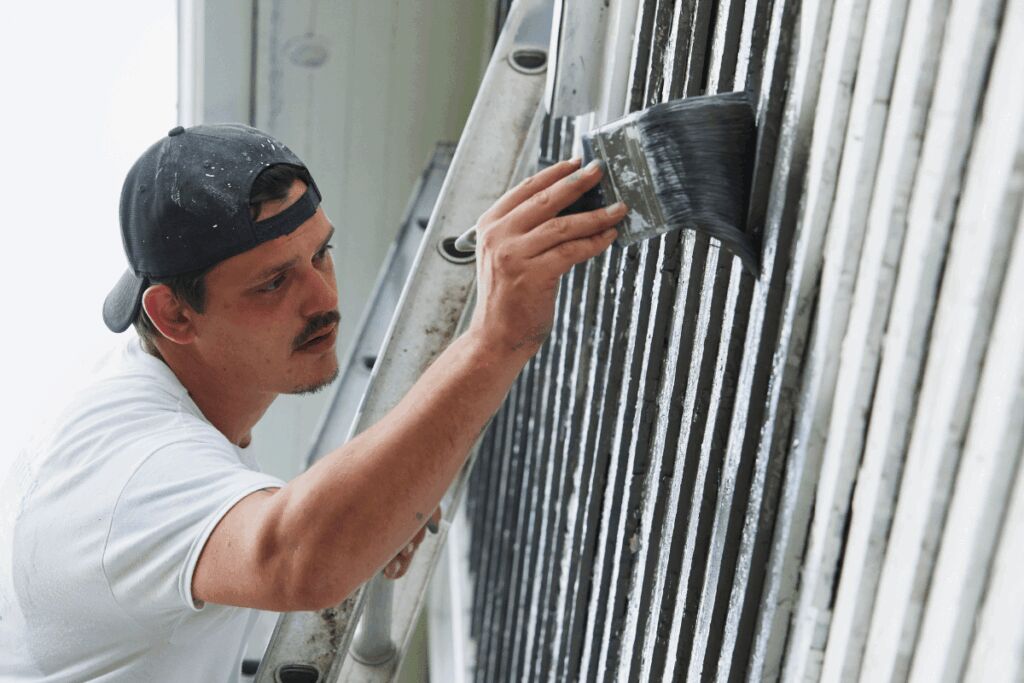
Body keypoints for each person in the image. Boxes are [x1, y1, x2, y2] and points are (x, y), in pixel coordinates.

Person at [0, 123, 625, 681]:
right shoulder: (125, 461)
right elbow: (296, 557)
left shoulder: (144, 417)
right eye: (273, 282)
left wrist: (372, 511)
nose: (321, 296)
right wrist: (495, 339)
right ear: (174, 314)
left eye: (320, 253)